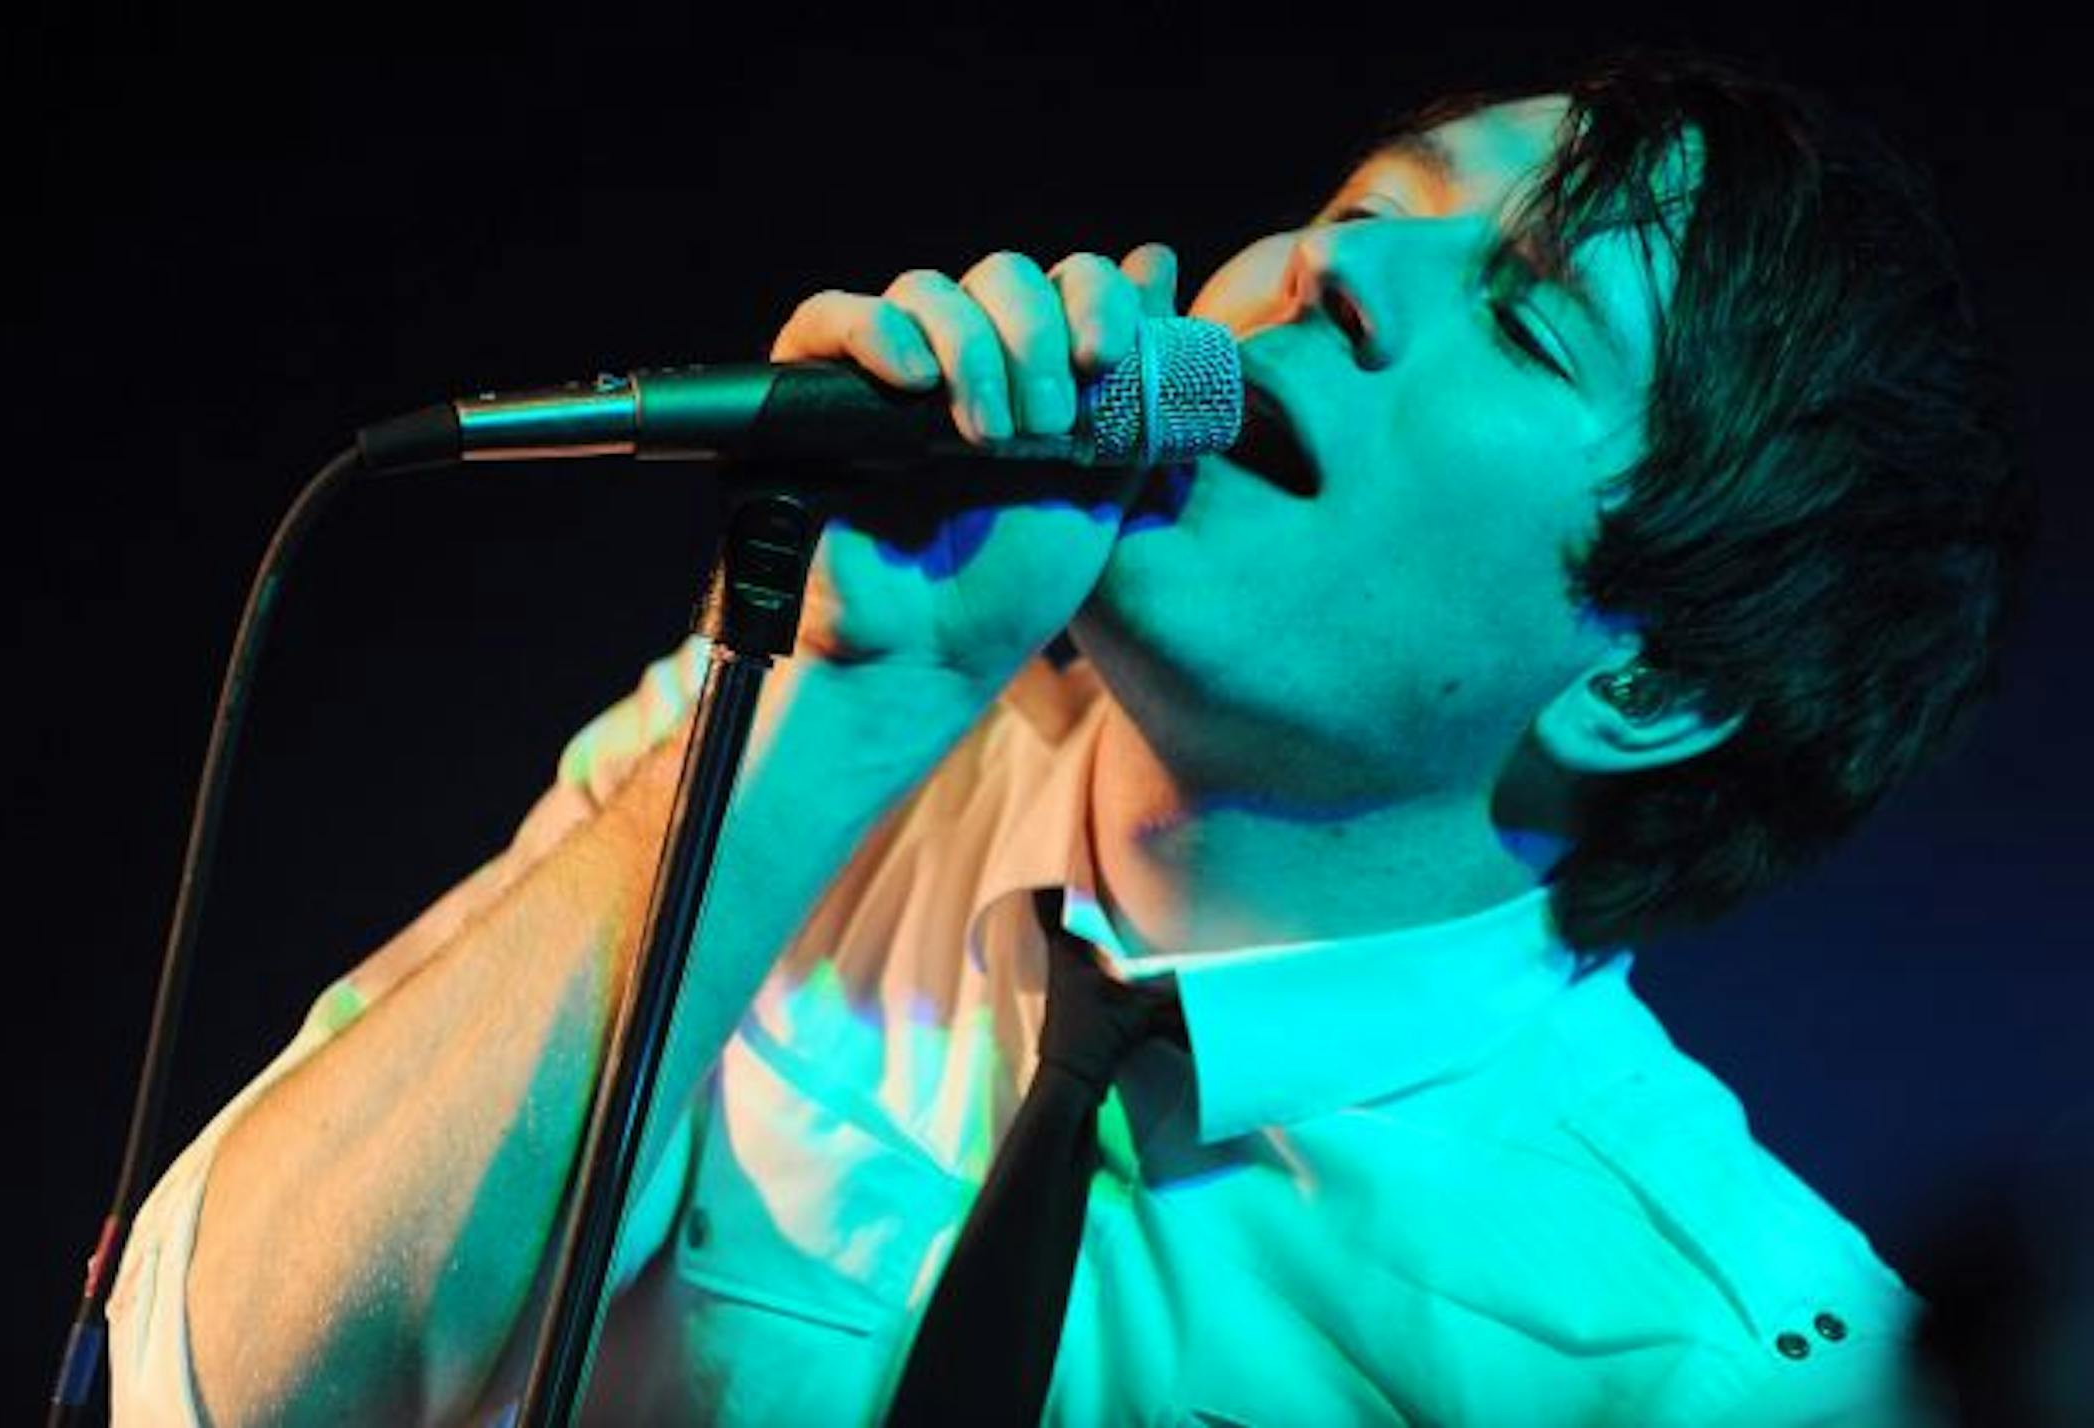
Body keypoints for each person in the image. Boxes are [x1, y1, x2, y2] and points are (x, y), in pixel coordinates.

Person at [107, 51, 2030, 1426]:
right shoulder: (830, 747)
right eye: (1373, 208)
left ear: (1652, 681)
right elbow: (219, 1390)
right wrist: (837, 703)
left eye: (1528, 332)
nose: (1334, 273)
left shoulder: (1705, 1363)